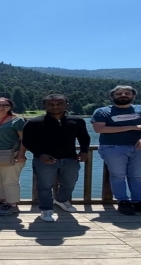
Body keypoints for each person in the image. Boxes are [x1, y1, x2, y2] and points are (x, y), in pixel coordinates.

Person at [91, 85, 141, 216]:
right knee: (118, 176)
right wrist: (134, 127)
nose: (123, 95)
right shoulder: (102, 111)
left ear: (133, 96)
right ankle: (123, 202)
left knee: (137, 176)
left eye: (127, 93)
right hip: (112, 147)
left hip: (140, 147)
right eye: (119, 94)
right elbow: (100, 129)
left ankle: (139, 202)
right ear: (113, 97)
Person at [23, 94, 91, 222]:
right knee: (44, 185)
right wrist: (40, 154)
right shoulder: (34, 122)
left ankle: (61, 200)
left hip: (70, 158)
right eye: (51, 104)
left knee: (69, 183)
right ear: (44, 106)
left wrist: (83, 151)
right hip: (44, 160)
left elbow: (84, 137)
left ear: (67, 105)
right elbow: (28, 141)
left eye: (59, 104)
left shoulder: (77, 121)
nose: (55, 106)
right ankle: (46, 209)